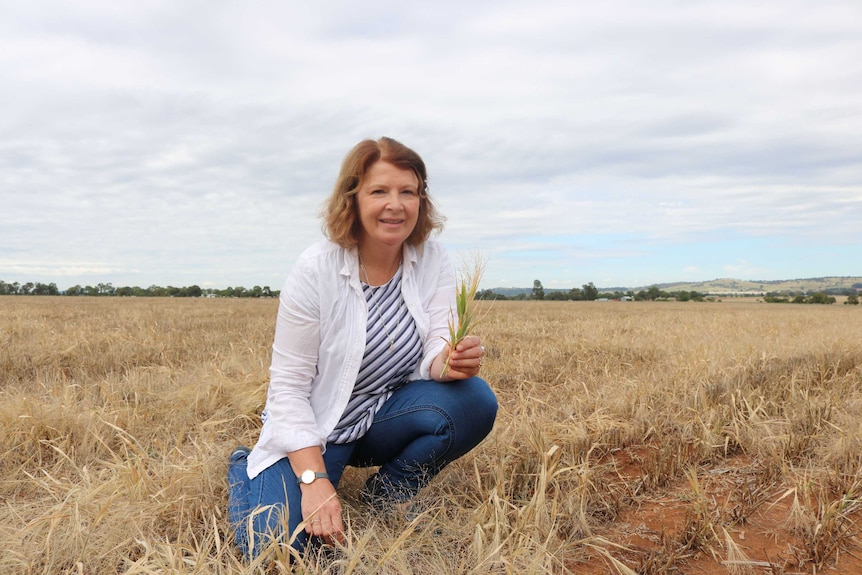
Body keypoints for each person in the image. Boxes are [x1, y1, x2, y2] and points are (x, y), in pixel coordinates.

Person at [227, 136, 498, 560]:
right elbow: (288, 387)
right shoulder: (317, 268)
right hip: (316, 431)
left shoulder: (432, 259)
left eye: (408, 192)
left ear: (421, 201)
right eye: (379, 191)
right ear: (352, 199)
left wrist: (449, 362)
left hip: (381, 418)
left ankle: (387, 495)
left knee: (474, 399)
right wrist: (314, 480)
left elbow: (435, 346)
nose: (396, 205)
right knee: (279, 550)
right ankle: (246, 469)